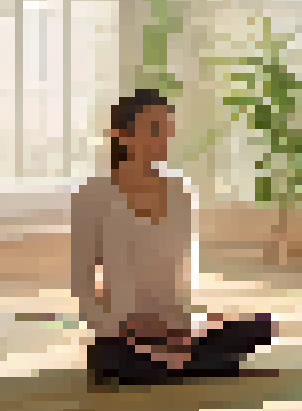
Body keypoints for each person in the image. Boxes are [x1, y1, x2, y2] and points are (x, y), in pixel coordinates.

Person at [71, 89, 275, 385]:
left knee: (263, 326)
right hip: (123, 331)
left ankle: (175, 360)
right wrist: (117, 326)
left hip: (174, 327)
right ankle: (183, 362)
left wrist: (187, 323)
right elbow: (83, 281)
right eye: (154, 129)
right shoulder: (94, 195)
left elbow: (185, 270)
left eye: (167, 131)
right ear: (122, 135)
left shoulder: (179, 190)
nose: (163, 140)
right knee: (112, 354)